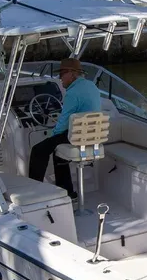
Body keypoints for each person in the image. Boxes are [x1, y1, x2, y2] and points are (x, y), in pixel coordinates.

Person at [28, 58, 102, 198]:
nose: (59, 78)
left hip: (78, 135)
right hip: (94, 135)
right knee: (58, 153)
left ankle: (34, 193)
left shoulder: (72, 93)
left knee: (38, 150)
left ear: (71, 74)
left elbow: (63, 121)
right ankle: (68, 191)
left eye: (62, 74)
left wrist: (53, 135)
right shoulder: (91, 86)